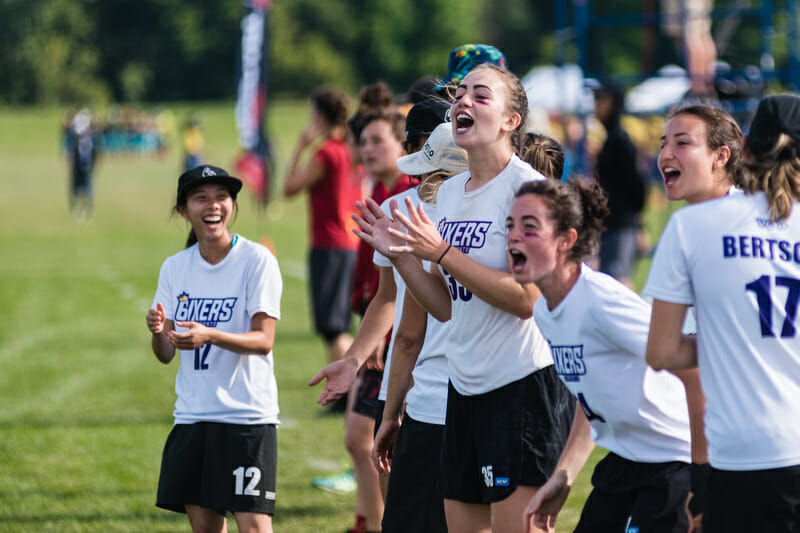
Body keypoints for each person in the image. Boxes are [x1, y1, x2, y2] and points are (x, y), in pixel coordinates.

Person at [353, 63, 574, 533]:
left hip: (521, 389)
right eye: (460, 95)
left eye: (481, 95)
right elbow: (447, 307)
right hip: (463, 393)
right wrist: (405, 257)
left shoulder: (528, 192)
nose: (463, 102)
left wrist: (443, 252)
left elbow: (527, 300)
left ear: (512, 121)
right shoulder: (449, 195)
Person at [645, 94, 800, 532]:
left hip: (746, 455)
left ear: (742, 149)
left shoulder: (695, 225)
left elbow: (660, 352)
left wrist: (727, 341)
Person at [507, 179, 694, 533]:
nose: (514, 236)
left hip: (675, 462)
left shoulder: (601, 301)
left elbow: (692, 367)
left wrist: (706, 468)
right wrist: (563, 475)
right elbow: (589, 395)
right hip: (624, 462)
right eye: (510, 226)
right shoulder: (546, 312)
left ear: (566, 240)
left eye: (529, 227)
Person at [146, 165, 282, 533]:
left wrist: (211, 335)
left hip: (246, 419)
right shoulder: (175, 268)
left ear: (233, 205)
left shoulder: (257, 261)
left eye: (222, 197)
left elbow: (264, 340)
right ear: (183, 210)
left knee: (254, 526)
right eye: (201, 198)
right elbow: (165, 353)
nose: (213, 206)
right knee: (205, 527)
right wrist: (159, 332)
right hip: (193, 417)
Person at [654, 102, 745, 530]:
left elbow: (671, 359)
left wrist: (701, 475)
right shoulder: (761, 217)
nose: (665, 154)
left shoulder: (700, 231)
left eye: (682, 142)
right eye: (663, 142)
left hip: (743, 452)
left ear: (721, 155)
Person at [283, 86, 363, 370]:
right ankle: (351, 390)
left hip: (330, 242)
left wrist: (301, 146)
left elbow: (289, 188)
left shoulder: (327, 153)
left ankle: (345, 393)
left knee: (333, 327)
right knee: (343, 322)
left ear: (319, 115)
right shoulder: (352, 150)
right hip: (353, 241)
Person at [593, 82, 647, 289]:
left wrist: (638, 225)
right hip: (611, 224)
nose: (596, 105)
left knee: (619, 283)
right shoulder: (610, 140)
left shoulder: (620, 141)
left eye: (601, 99)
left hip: (622, 225)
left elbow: (637, 183)